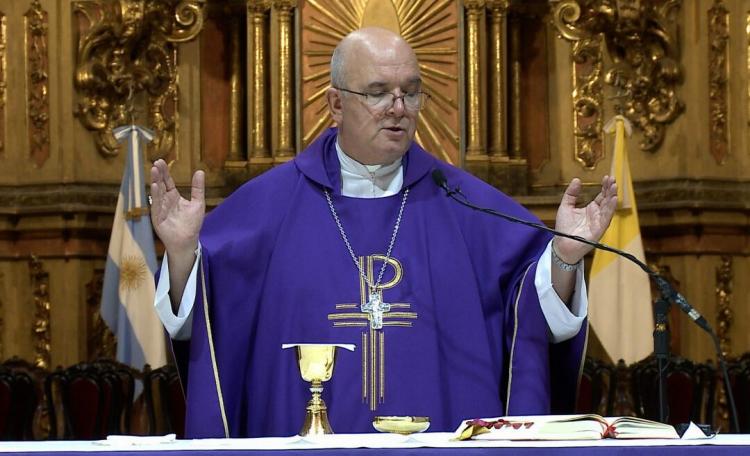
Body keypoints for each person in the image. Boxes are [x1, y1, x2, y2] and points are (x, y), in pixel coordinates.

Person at [150, 27, 617, 438]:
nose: (398, 109)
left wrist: (565, 259)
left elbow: (532, 317)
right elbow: (209, 322)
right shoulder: (266, 207)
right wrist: (181, 255)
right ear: (336, 103)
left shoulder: (466, 204)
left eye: (410, 92)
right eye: (378, 92)